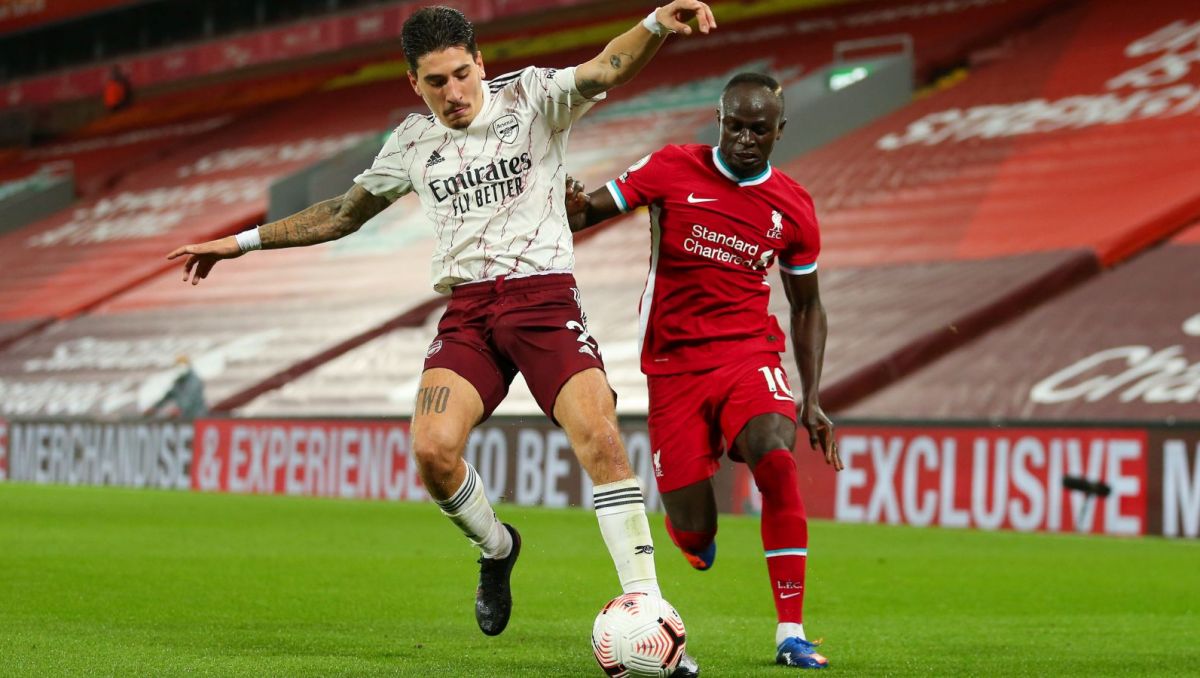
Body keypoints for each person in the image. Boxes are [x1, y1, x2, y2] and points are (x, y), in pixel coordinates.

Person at [165, 4, 715, 671]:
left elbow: (607, 68)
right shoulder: (411, 142)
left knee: (601, 439)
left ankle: (648, 611)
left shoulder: (533, 98)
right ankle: (497, 548)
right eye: (436, 82)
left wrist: (656, 22)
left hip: (543, 300)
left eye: (461, 74)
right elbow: (342, 214)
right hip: (469, 312)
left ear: (480, 63)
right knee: (432, 452)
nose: (453, 93)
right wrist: (238, 243)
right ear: (414, 84)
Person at [564, 72, 843, 670]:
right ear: (719, 120)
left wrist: (811, 397)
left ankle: (791, 632)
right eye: (735, 125)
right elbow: (590, 212)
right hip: (673, 365)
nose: (745, 139)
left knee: (775, 453)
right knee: (692, 534)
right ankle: (697, 535)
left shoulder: (793, 205)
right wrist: (571, 205)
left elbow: (808, 305)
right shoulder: (670, 167)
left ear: (778, 132)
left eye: (759, 130)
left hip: (747, 353)